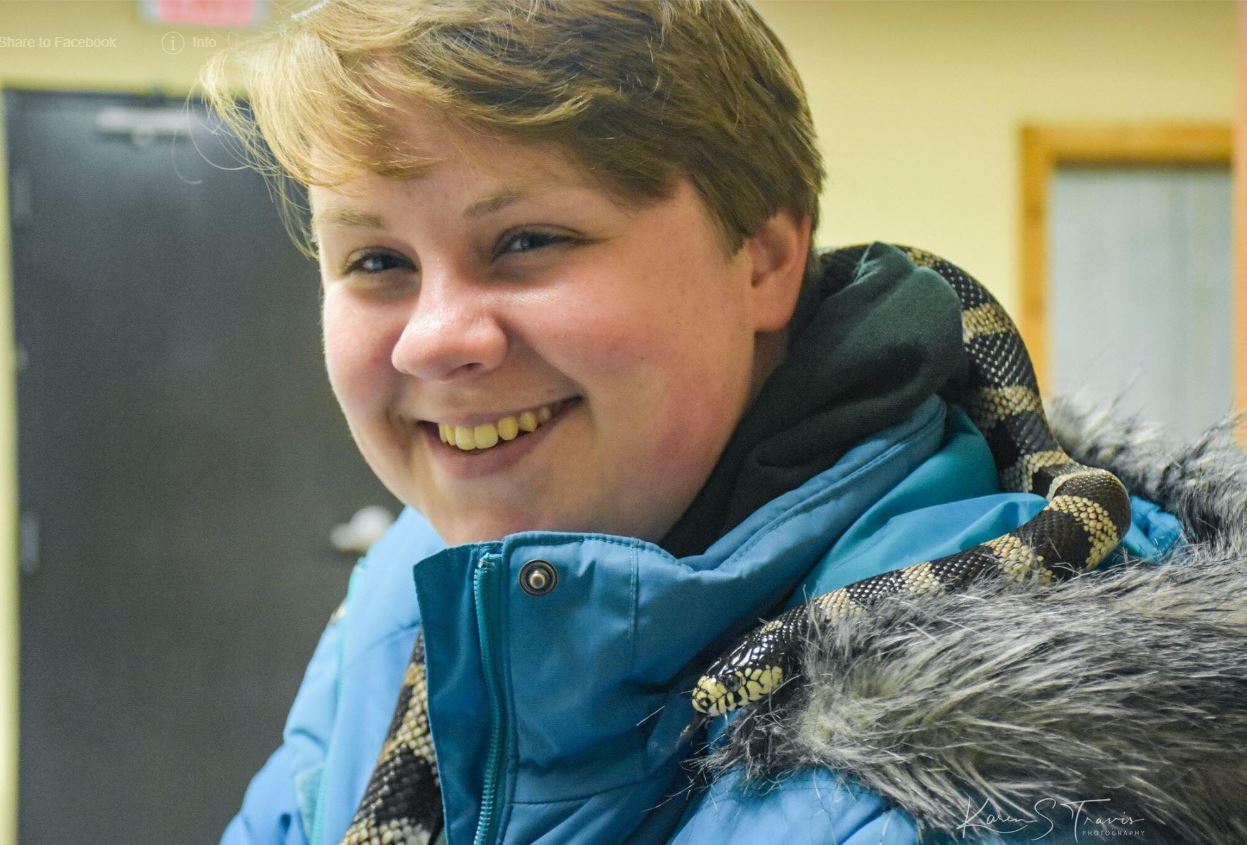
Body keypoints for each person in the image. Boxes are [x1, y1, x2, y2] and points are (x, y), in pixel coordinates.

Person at [203, 1, 1247, 843]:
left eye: (527, 238)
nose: (432, 340)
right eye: (374, 259)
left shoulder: (1013, 778)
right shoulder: (415, 590)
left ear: (764, 257)